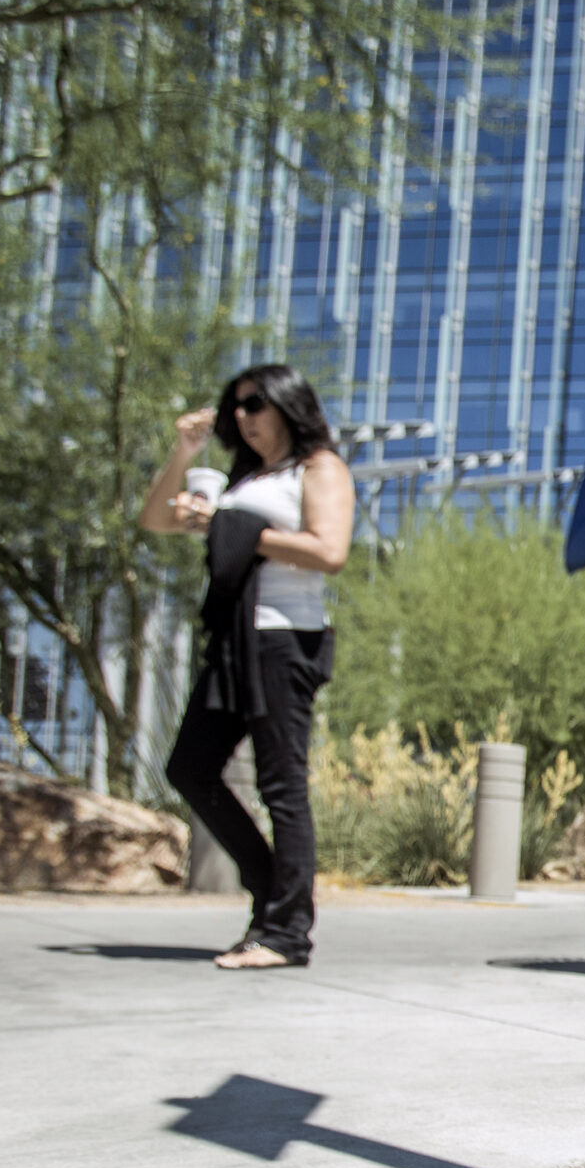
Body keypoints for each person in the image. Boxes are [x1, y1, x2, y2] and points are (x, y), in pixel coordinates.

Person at [140, 365, 354, 968]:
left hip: (285, 641)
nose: (243, 416)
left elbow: (329, 551)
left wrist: (237, 529)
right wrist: (183, 454)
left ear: (287, 404)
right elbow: (155, 520)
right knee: (190, 767)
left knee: (280, 786)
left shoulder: (319, 468)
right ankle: (270, 891)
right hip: (233, 642)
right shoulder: (241, 480)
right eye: (235, 406)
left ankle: (287, 934)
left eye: (255, 403)